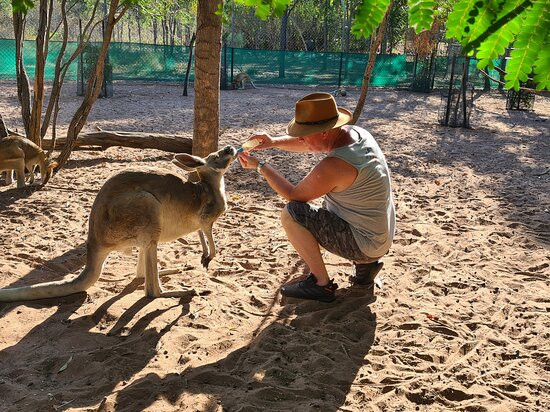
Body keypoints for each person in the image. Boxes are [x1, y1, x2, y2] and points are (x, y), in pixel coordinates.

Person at [238, 92, 395, 303]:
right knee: (337, 204)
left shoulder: (335, 165)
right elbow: (309, 144)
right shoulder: (357, 134)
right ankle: (366, 269)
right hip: (379, 236)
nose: (300, 139)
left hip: (364, 244)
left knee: (292, 214)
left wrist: (260, 166)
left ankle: (321, 285)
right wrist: (273, 142)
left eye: (304, 133)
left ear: (323, 132)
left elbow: (294, 195)